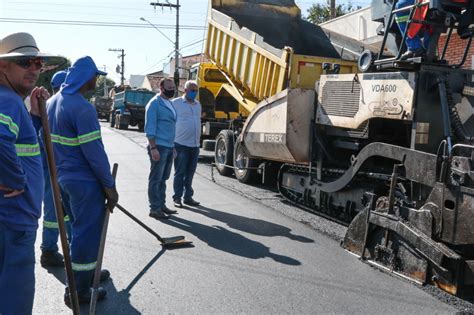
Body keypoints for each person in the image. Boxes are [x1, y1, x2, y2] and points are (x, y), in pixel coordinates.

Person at [0, 32, 64, 315]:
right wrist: (15, 179)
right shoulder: (8, 101)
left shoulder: (12, 101)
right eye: (25, 62)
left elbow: (20, 145)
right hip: (13, 219)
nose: (34, 69)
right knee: (15, 297)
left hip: (13, 219)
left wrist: (36, 118)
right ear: (3, 66)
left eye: (38, 63)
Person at [47, 56, 119, 306]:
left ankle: (88, 275)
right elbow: (94, 152)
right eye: (95, 76)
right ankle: (79, 291)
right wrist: (109, 186)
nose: (96, 80)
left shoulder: (52, 102)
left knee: (76, 233)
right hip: (84, 183)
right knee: (86, 235)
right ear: (86, 77)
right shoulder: (82, 107)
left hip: (62, 180)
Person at [40, 70, 71, 268]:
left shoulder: (50, 106)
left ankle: (67, 251)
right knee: (54, 211)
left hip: (54, 169)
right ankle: (49, 250)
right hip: (53, 169)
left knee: (63, 211)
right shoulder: (56, 107)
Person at [145, 77, 178, 220]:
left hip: (169, 146)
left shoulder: (169, 103)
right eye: (169, 88)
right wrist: (153, 148)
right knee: (156, 179)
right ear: (161, 88)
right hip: (158, 146)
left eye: (173, 88)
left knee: (163, 178)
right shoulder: (154, 104)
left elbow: (170, 127)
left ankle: (161, 205)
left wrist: (173, 147)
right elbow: (150, 128)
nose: (172, 90)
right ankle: (154, 208)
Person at [172, 80, 201, 208]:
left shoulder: (198, 104)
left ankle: (188, 197)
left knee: (190, 172)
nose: (194, 92)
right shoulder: (176, 103)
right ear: (185, 90)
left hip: (194, 145)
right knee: (180, 172)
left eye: (196, 90)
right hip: (180, 144)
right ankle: (177, 197)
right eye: (192, 90)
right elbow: (170, 122)